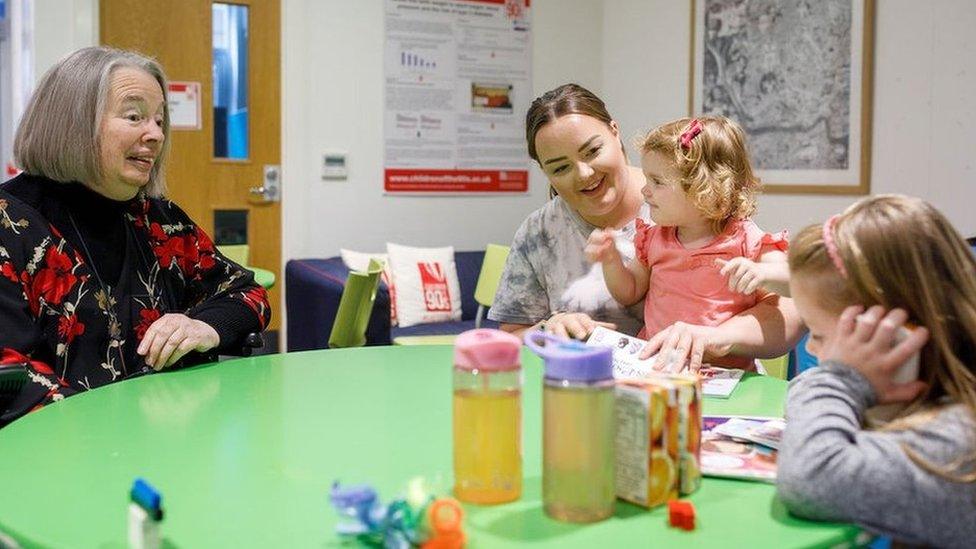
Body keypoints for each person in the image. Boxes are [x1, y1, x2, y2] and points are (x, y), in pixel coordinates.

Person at [0, 47, 270, 426]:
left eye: (160, 121)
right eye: (134, 117)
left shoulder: (161, 221)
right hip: (56, 454)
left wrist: (204, 326)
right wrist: (116, 426)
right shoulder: (10, 224)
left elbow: (247, 294)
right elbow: (8, 376)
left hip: (162, 444)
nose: (156, 134)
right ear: (73, 123)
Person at [488, 83, 801, 369]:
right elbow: (511, 338)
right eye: (560, 167)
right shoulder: (538, 233)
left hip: (713, 383)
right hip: (602, 385)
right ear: (544, 171)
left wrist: (719, 336)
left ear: (615, 131)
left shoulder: (686, 202)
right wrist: (548, 329)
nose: (583, 174)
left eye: (592, 151)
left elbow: (788, 311)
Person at [777, 195, 976, 546]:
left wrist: (839, 378)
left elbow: (812, 477)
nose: (809, 349)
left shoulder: (957, 444)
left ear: (899, 336)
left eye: (819, 335)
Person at [585, 116, 789, 370]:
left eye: (657, 182)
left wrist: (763, 272)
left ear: (705, 189)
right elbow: (629, 292)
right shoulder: (655, 237)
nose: (644, 191)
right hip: (657, 366)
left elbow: (793, 282)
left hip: (725, 374)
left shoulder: (745, 239)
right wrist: (611, 260)